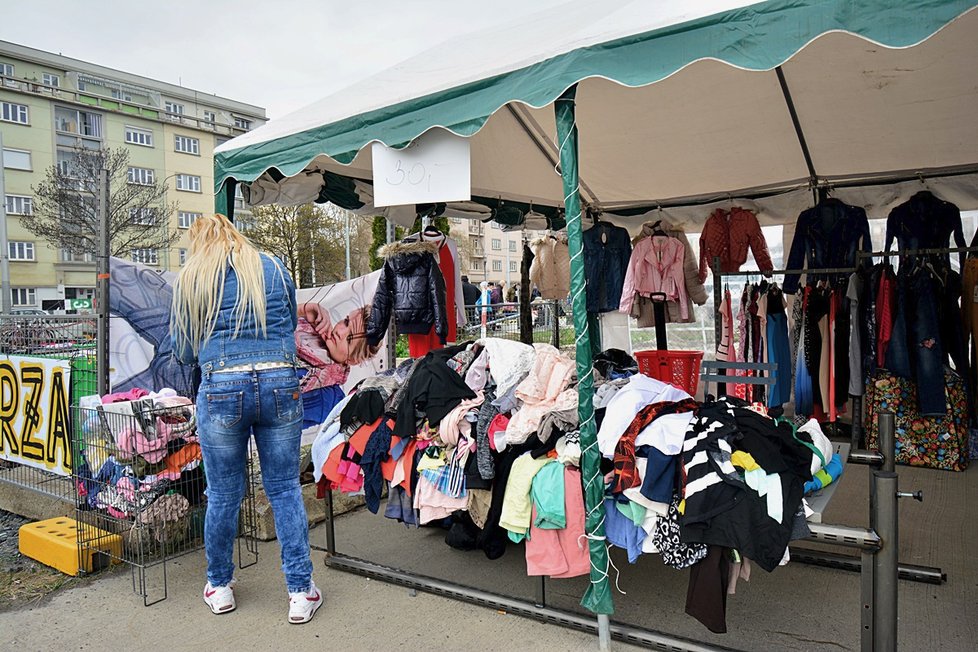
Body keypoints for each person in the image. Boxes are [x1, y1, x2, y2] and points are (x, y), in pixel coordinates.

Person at [170, 214, 321, 624]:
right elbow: (288, 325)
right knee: (285, 488)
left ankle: (219, 587)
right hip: (279, 379)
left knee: (223, 494)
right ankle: (300, 591)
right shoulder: (271, 266)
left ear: (200, 242)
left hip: (222, 386)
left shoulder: (193, 277)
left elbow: (183, 351)